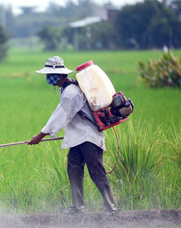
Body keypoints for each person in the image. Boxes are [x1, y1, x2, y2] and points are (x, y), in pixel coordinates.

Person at [28, 56, 117, 215]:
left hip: (88, 138)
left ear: (61, 75)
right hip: (78, 138)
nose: (49, 78)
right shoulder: (68, 89)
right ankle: (78, 207)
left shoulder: (70, 92)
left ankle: (111, 207)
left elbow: (60, 116)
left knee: (96, 171)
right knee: (74, 169)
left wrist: (40, 136)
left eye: (50, 74)